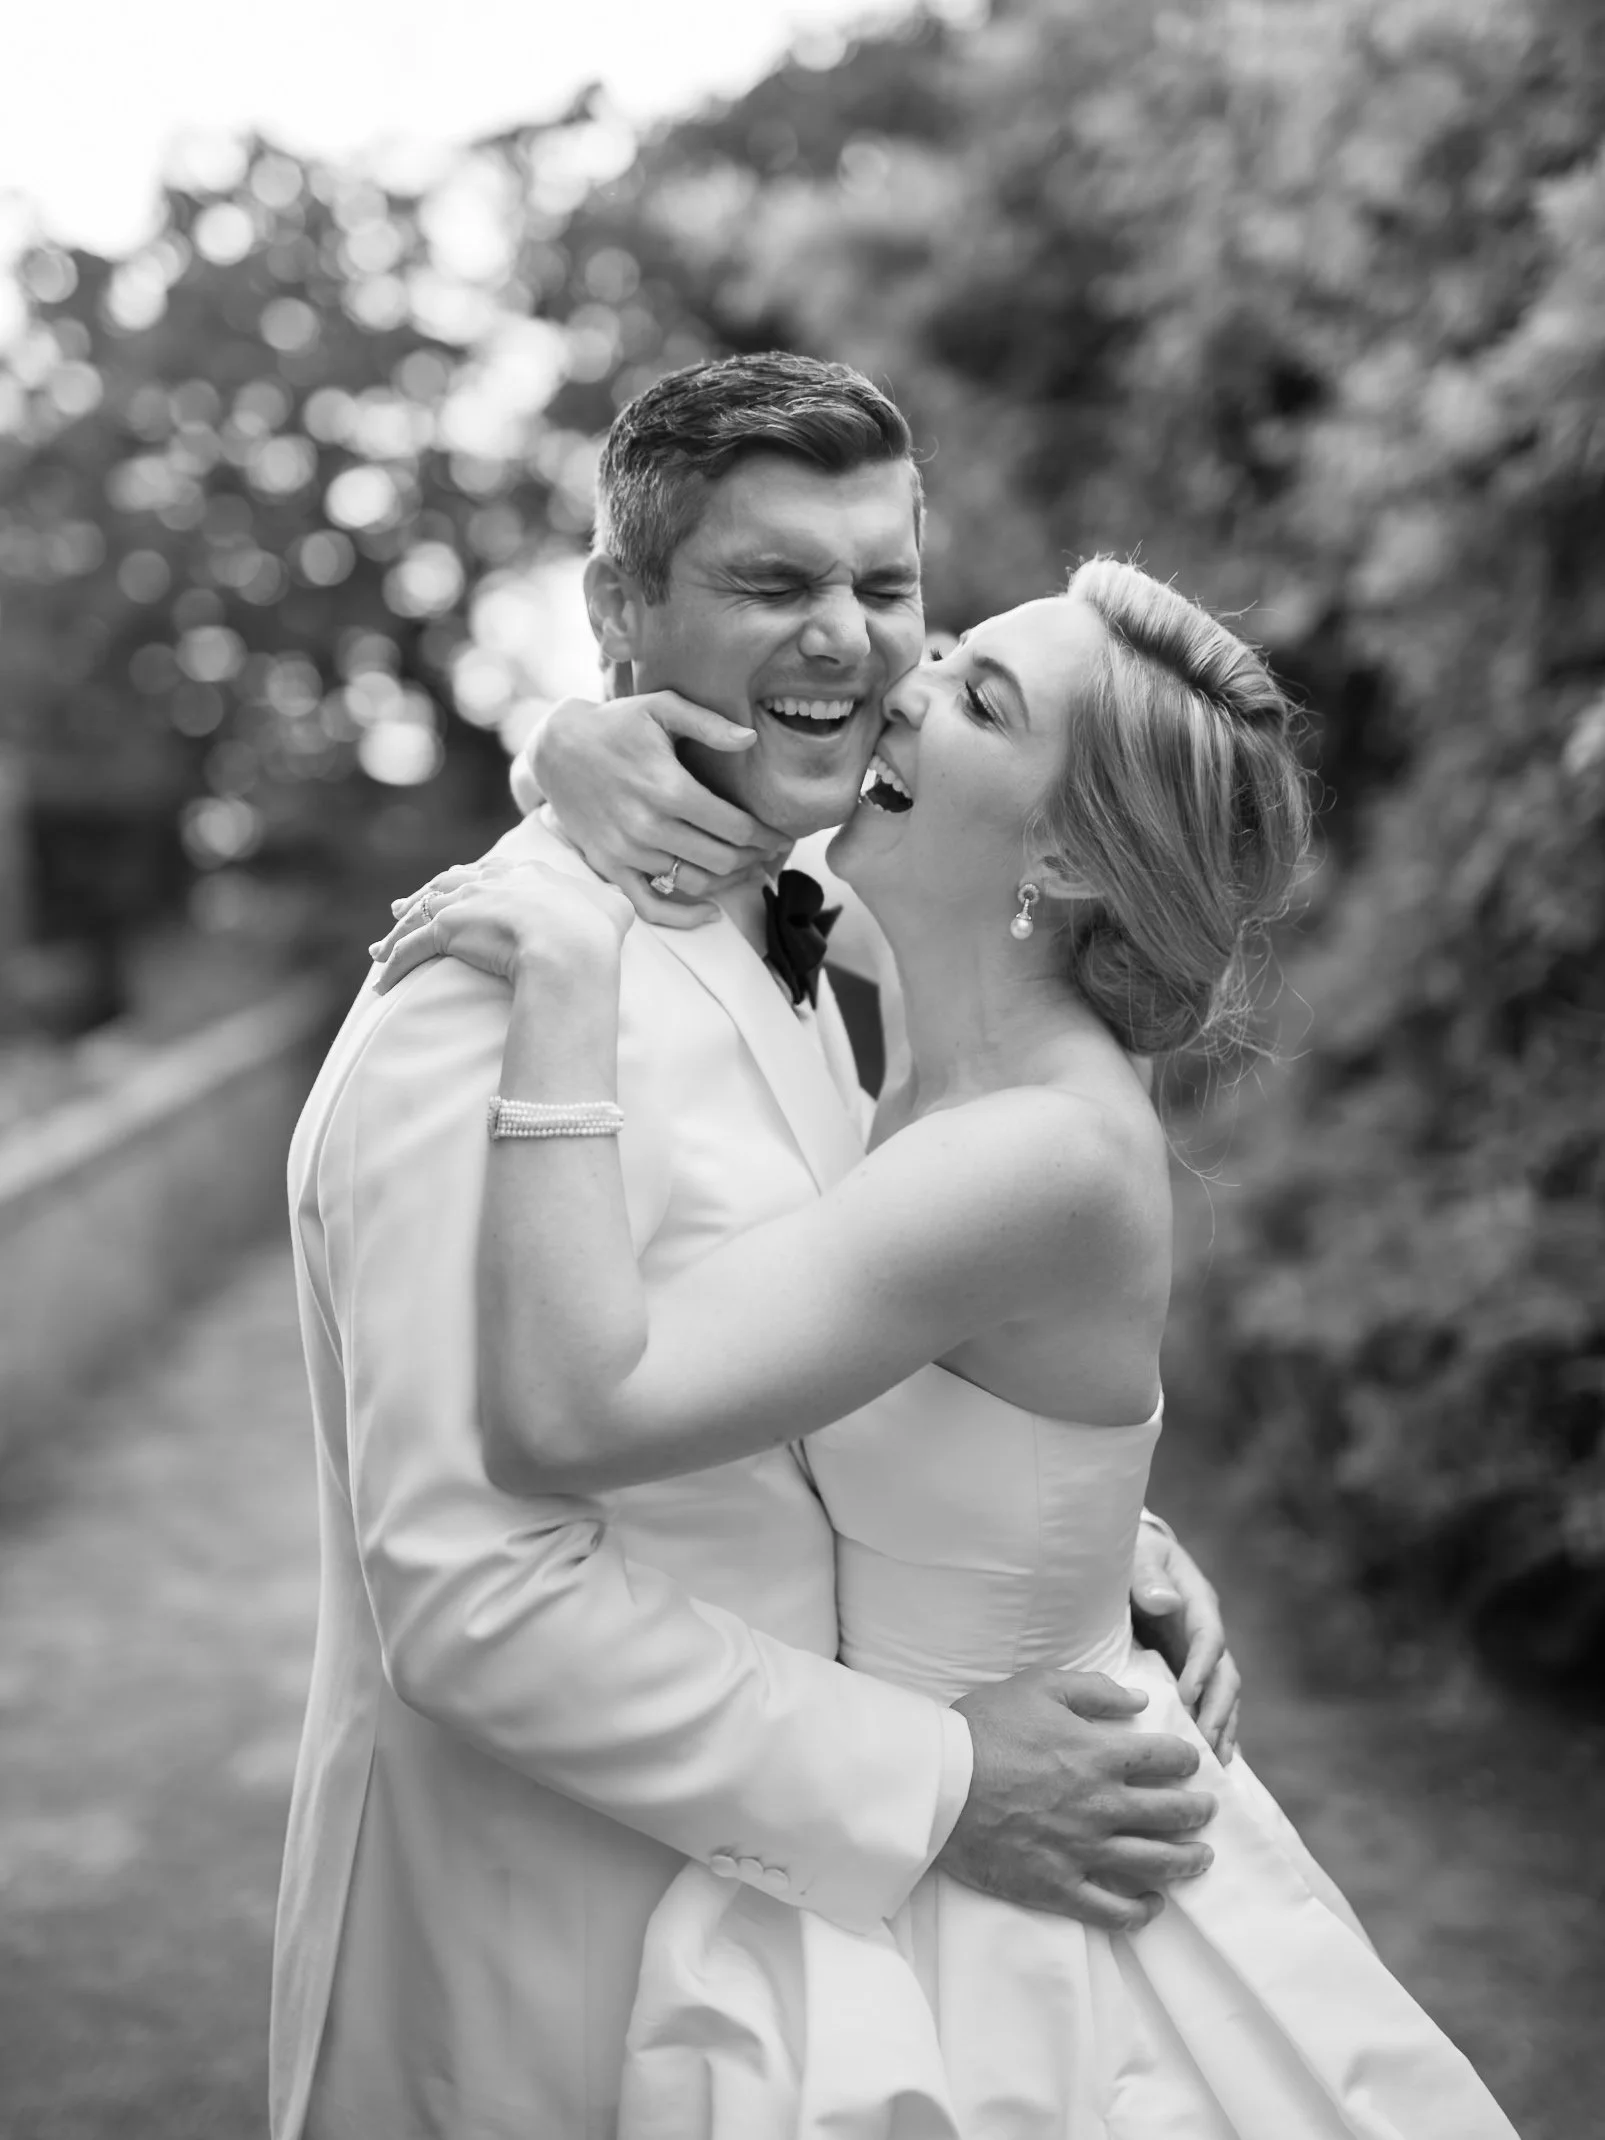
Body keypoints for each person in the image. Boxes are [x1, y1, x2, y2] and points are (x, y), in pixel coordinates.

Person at [374, 555, 1520, 2137]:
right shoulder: (924, 983)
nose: (908, 685)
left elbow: (575, 1414)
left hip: (1019, 1891)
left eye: (981, 701)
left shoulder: (1035, 1153)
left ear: (1061, 851)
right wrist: (568, 742)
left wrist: (566, 981)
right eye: (960, 652)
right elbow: (703, 814)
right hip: (921, 1807)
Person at [270, 354, 1235, 2140]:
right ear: (619, 611)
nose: (852, 646)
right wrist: (940, 1778)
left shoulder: (810, 932)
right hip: (545, 1962)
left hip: (804, 1978)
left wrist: (1091, 1552)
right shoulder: (475, 1015)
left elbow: (833, 1355)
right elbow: (477, 1601)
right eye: (772, 584)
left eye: (884, 590)